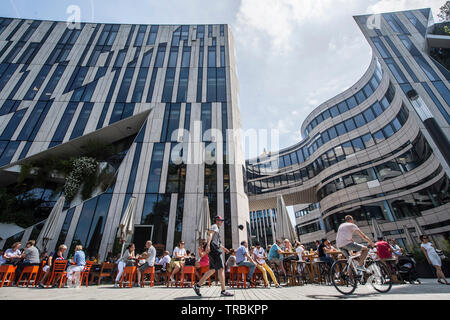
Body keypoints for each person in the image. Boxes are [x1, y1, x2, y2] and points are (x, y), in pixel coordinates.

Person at [193, 215, 233, 297]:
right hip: (214, 250)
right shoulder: (215, 226)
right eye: (220, 220)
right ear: (216, 221)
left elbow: (217, 243)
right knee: (221, 268)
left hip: (213, 250)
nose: (221, 222)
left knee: (212, 270)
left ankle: (197, 285)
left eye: (222, 220)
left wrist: (224, 248)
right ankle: (223, 291)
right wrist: (208, 245)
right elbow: (210, 235)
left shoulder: (217, 229)